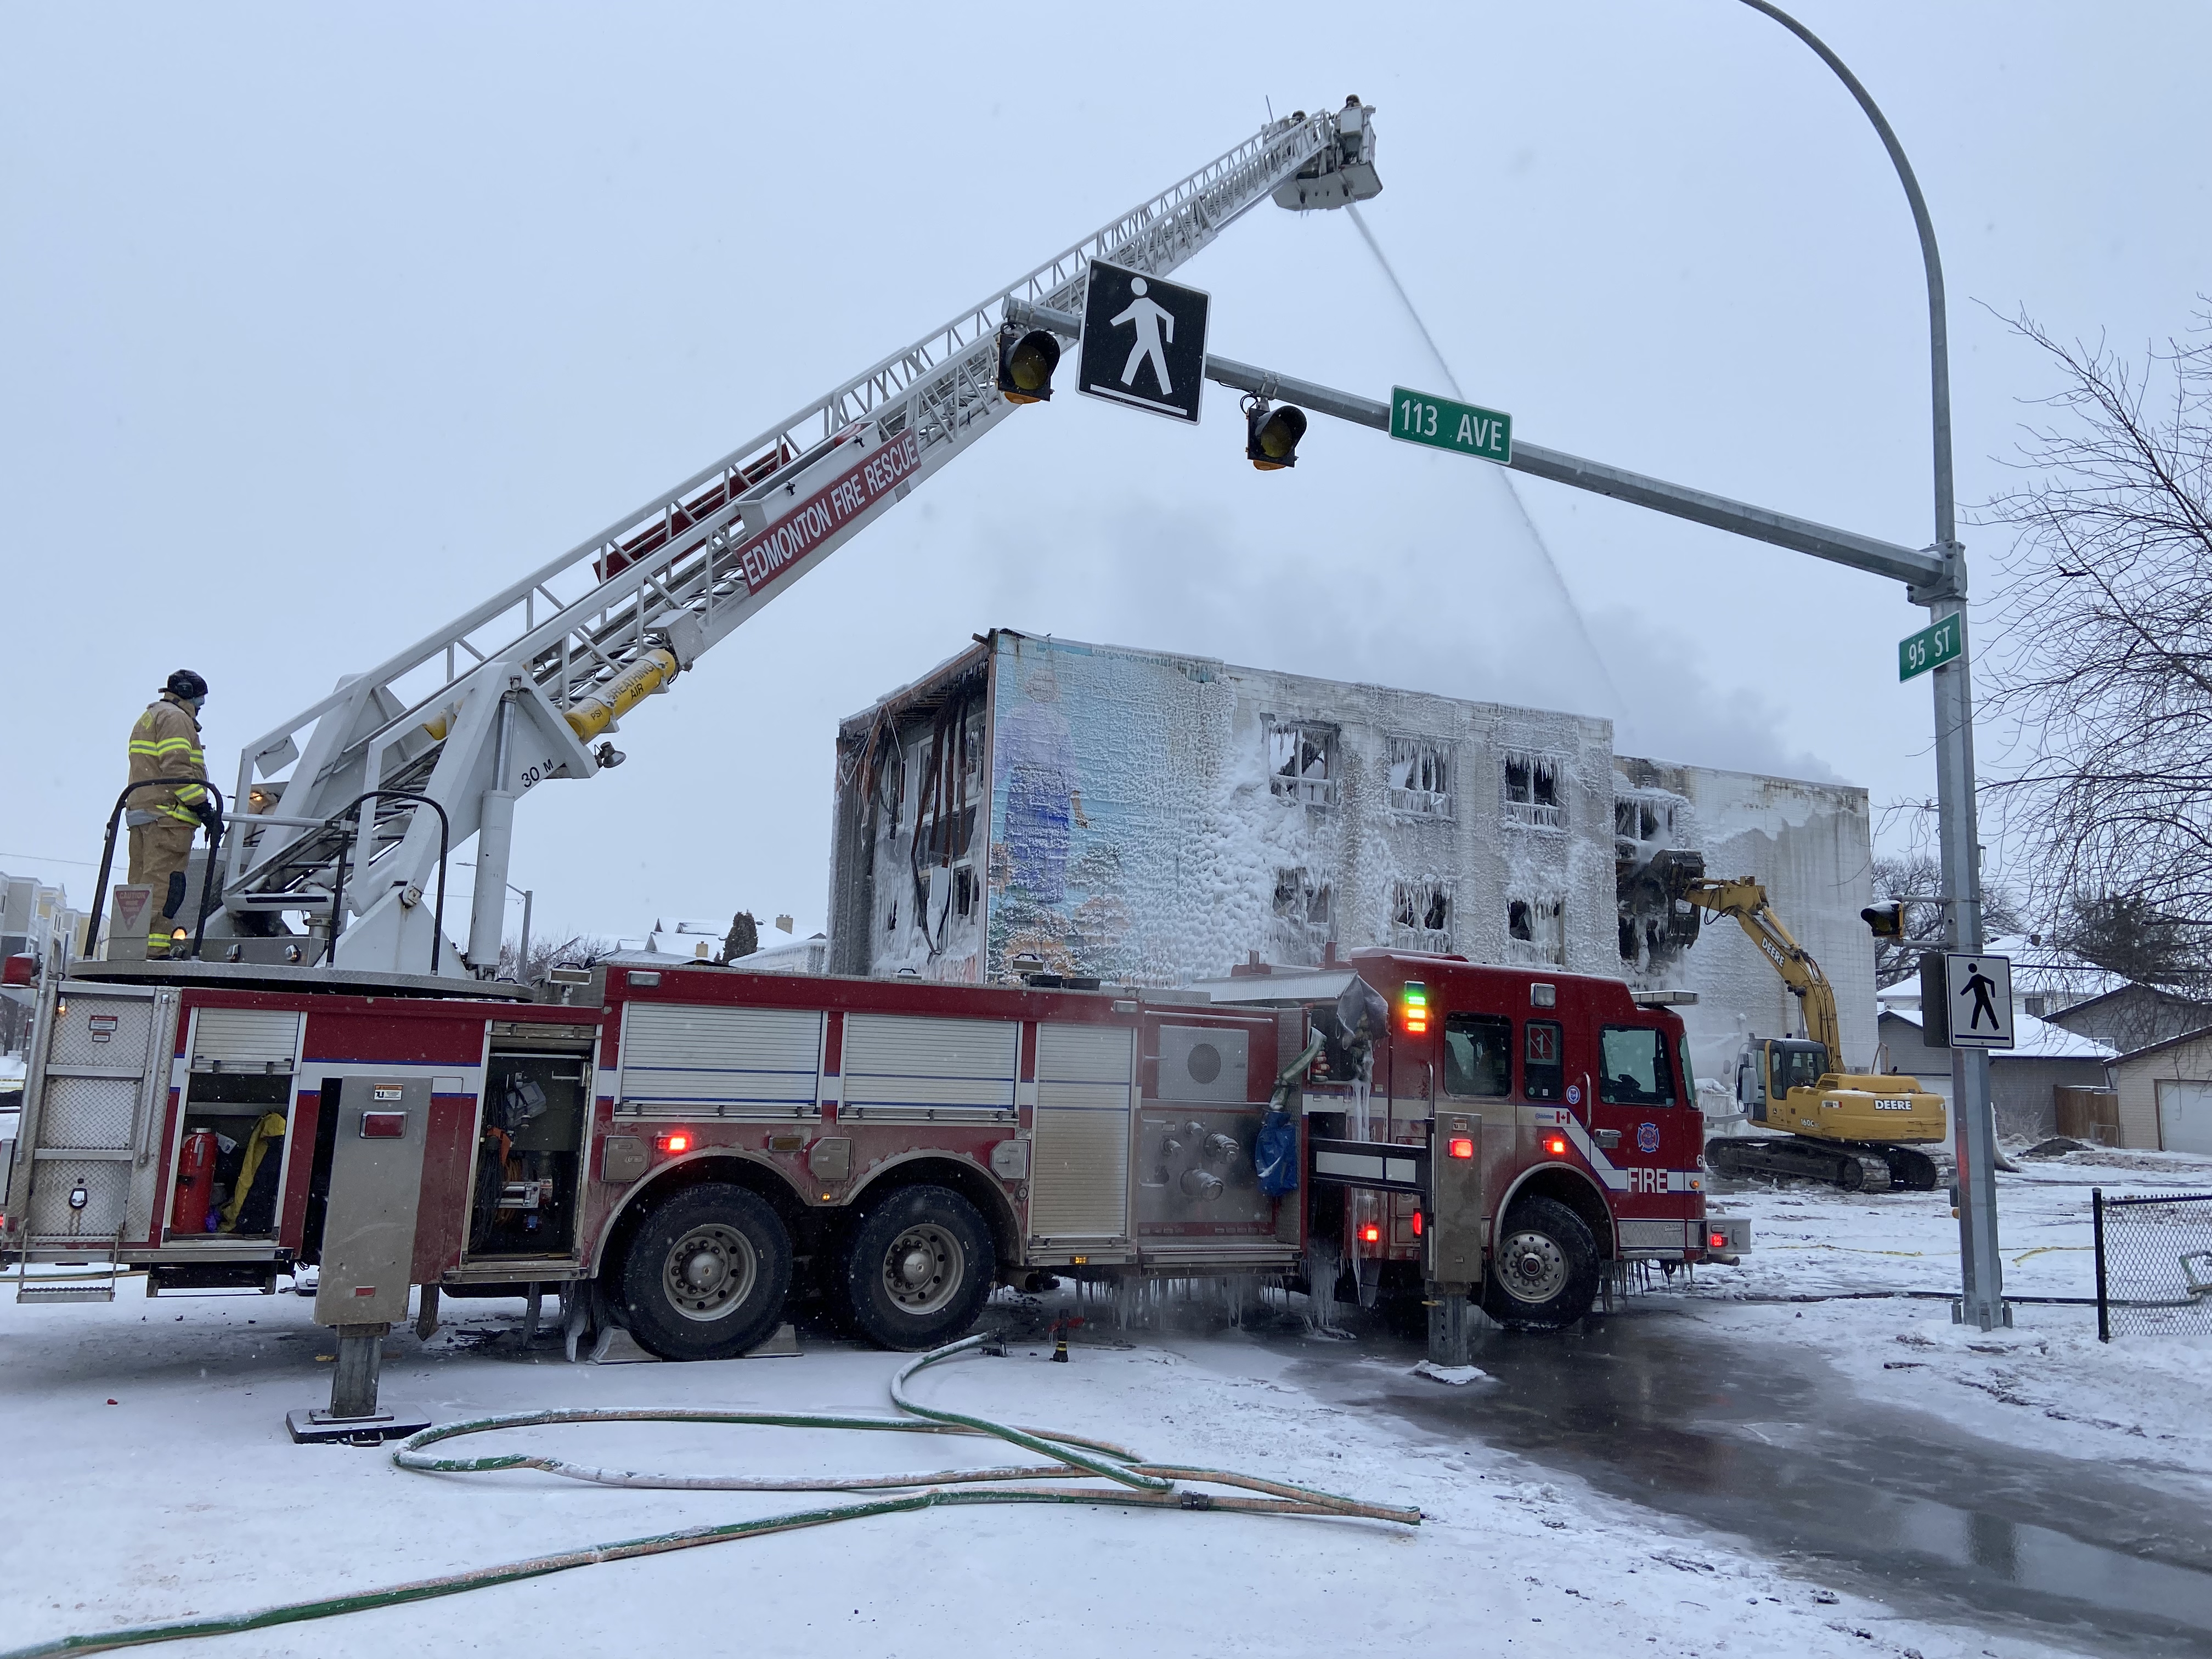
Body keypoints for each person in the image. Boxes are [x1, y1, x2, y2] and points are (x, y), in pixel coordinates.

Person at [126, 670, 218, 957]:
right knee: (164, 889)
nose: (200, 706)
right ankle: (152, 955)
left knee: (140, 889)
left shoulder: (150, 716)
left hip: (144, 814)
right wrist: (204, 808)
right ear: (188, 693)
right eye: (199, 700)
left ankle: (132, 948)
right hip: (169, 819)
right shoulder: (176, 719)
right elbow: (177, 771)